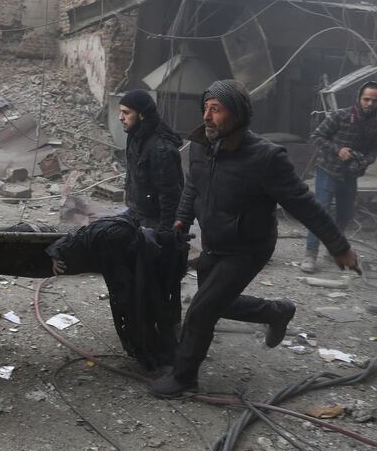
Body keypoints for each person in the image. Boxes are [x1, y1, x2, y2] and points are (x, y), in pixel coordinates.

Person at [149, 80, 360, 398]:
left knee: (202, 310)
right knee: (217, 302)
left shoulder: (266, 157)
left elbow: (304, 203)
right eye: (205, 108)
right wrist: (182, 220)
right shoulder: (201, 145)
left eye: (216, 109)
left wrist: (339, 245)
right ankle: (274, 312)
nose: (206, 116)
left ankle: (183, 377)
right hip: (214, 243)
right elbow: (195, 184)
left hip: (248, 248)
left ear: (237, 115)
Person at [300, 81, 377, 273]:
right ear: (359, 99)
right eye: (366, 99)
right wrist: (338, 150)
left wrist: (366, 160)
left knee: (345, 213)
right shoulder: (340, 115)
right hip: (328, 169)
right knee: (320, 211)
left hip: (350, 174)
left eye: (374, 101)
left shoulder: (375, 124)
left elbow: (374, 150)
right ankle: (310, 254)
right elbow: (317, 136)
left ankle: (334, 248)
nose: (369, 104)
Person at [118, 89, 184, 233]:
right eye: (120, 112)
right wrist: (127, 191)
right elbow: (132, 168)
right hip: (137, 212)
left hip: (156, 220)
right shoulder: (134, 135)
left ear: (141, 115)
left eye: (126, 112)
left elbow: (170, 196)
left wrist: (165, 234)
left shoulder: (160, 149)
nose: (120, 117)